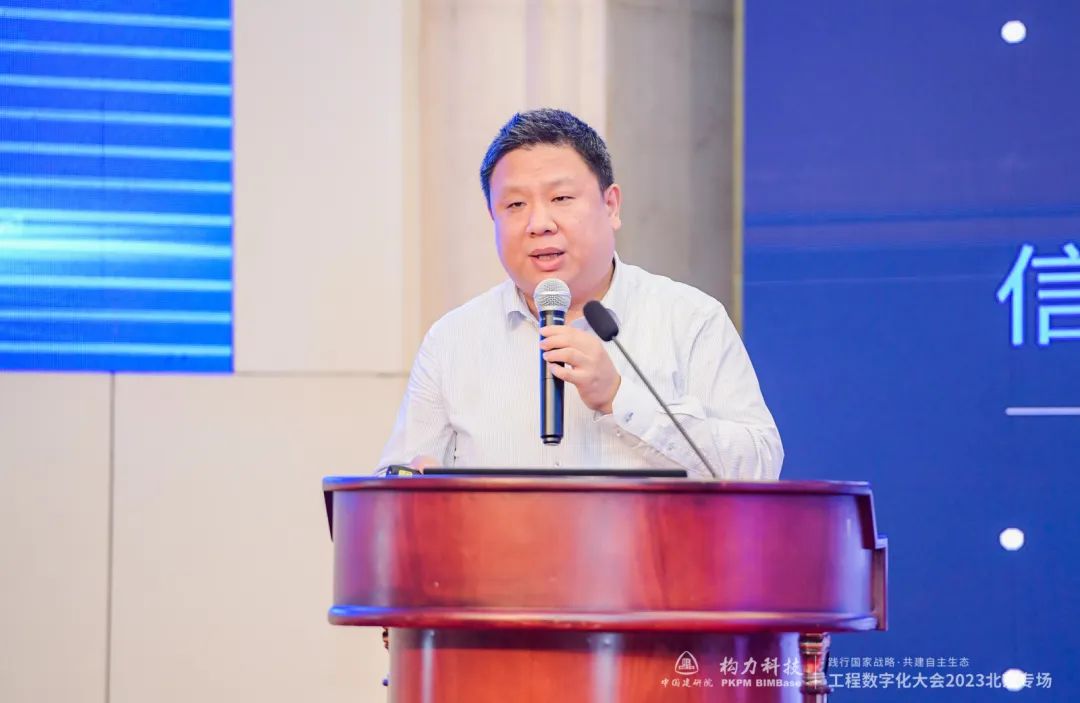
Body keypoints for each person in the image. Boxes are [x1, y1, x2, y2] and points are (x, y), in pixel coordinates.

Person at [377, 108, 782, 479]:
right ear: (493, 218)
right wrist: (410, 484)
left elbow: (760, 467)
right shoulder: (453, 340)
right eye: (515, 205)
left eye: (561, 198)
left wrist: (619, 397)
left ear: (611, 205)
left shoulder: (689, 319)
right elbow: (394, 479)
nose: (539, 223)